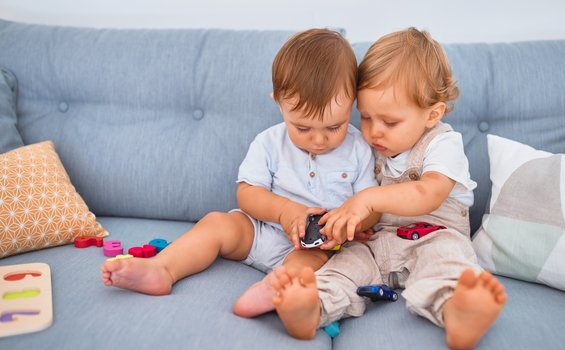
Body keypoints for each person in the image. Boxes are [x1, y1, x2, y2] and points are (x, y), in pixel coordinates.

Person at [100, 29, 379, 319]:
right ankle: (161, 269)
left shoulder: (358, 148)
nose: (319, 140)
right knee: (218, 223)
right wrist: (284, 211)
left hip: (314, 247)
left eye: (334, 127)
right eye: (303, 128)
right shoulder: (269, 142)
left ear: (352, 105)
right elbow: (247, 193)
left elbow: (371, 205)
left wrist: (350, 219)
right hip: (261, 231)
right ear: (279, 102)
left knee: (306, 263)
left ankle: (273, 288)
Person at [269, 28, 507, 350]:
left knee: (446, 266)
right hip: (378, 243)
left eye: (389, 122)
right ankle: (311, 307)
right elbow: (361, 204)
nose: (373, 132)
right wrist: (349, 225)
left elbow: (429, 193)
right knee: (344, 269)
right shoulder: (373, 148)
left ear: (432, 114)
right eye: (365, 117)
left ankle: (459, 313)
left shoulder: (443, 143)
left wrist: (367, 199)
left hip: (435, 235)